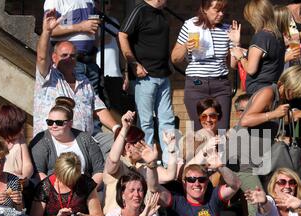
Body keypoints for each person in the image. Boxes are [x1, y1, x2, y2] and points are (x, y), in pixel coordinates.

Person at [230, 65, 301, 216]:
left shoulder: (281, 99)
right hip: (241, 158)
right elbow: (245, 121)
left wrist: (289, 117)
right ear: (288, 84)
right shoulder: (268, 92)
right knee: (256, 206)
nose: (298, 96)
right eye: (298, 91)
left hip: (257, 159)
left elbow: (267, 124)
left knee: (266, 202)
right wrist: (274, 114)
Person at [34, 9, 119, 156]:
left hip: (85, 142)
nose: (69, 59)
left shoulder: (84, 81)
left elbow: (98, 108)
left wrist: (117, 128)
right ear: (54, 58)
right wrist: (47, 32)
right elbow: (41, 58)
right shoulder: (48, 76)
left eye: (72, 56)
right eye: (64, 55)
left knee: (119, 140)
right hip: (54, 145)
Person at [118, 0, 175, 164]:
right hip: (145, 77)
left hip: (163, 75)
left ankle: (170, 161)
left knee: (167, 120)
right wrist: (133, 63)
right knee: (146, 121)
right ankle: (147, 161)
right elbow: (122, 34)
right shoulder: (140, 10)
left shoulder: (162, 13)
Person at [171, 0, 240, 130]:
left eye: (223, 10)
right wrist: (186, 46)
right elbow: (175, 58)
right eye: (217, 10)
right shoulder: (190, 26)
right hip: (197, 84)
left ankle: (220, 151)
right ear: (205, 9)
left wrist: (236, 43)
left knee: (222, 130)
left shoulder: (227, 30)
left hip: (220, 85)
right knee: (200, 132)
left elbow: (233, 65)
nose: (221, 14)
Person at [103, 111, 177, 215]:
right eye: (141, 142)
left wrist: (171, 149)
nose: (145, 145)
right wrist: (124, 129)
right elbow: (113, 160)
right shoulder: (118, 165)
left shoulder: (140, 167)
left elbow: (170, 176)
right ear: (128, 147)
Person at [30, 96, 104, 187]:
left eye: (59, 123)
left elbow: (99, 170)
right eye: (50, 122)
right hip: (53, 192)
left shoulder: (85, 138)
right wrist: (57, 191)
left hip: (85, 190)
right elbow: (37, 173)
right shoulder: (42, 140)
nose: (53, 126)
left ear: (70, 123)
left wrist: (89, 191)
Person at [231, 0, 286, 95]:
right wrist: (237, 44)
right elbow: (267, 60)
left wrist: (241, 57)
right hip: (272, 88)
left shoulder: (261, 37)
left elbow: (251, 69)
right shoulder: (277, 36)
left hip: (258, 90)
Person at [0, 105, 33, 182]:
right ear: (8, 128)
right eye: (19, 128)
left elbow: (27, 164)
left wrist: (23, 178)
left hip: (17, 182)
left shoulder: (20, 138)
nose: (22, 131)